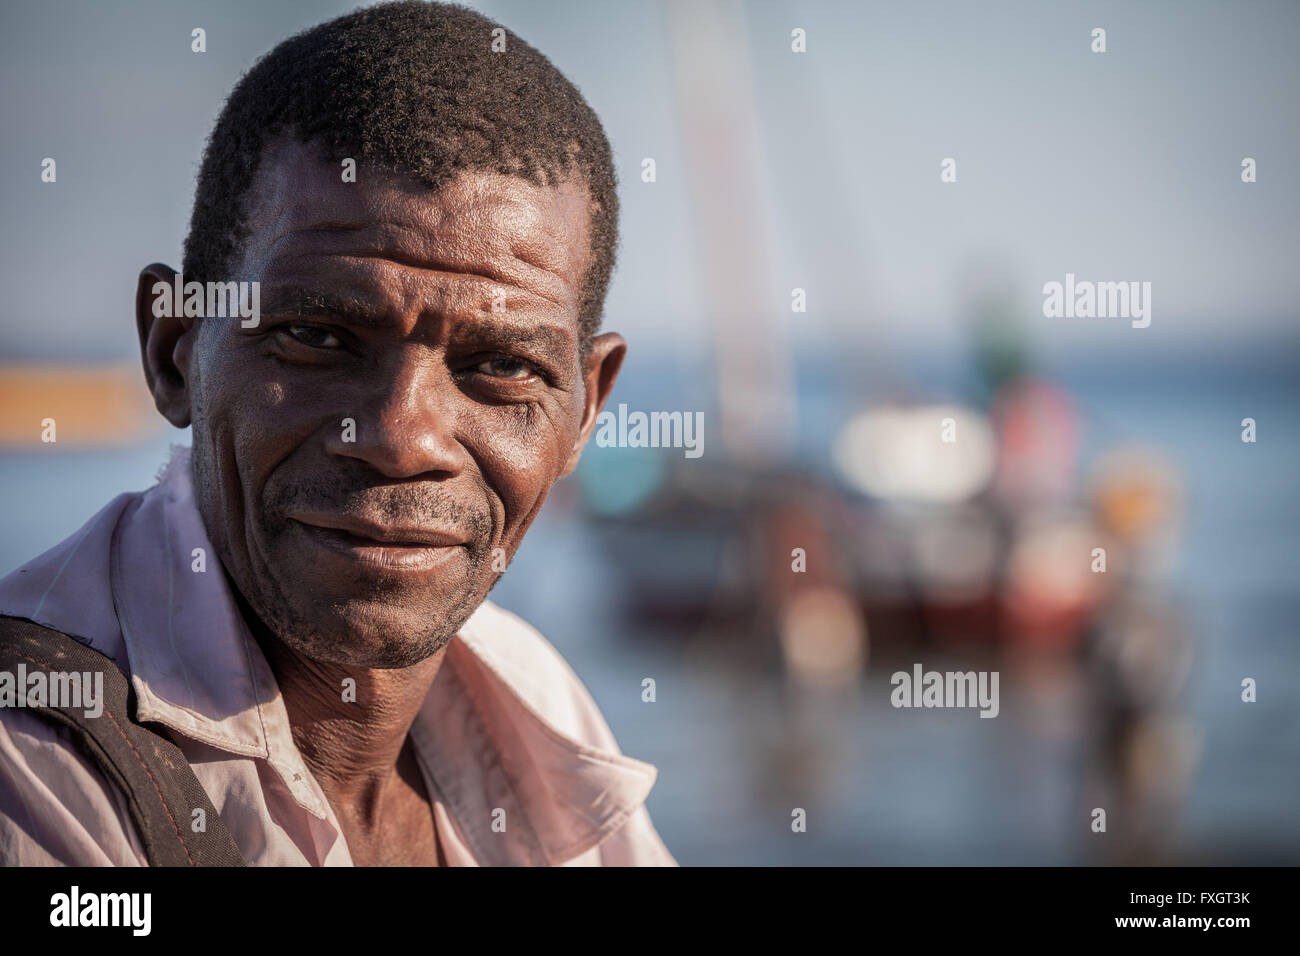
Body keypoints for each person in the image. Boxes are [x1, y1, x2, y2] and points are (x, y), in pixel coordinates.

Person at [0, 0, 674, 866]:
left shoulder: (527, 698)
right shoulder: (36, 761)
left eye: (503, 364)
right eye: (316, 337)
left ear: (585, 409)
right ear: (175, 352)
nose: (402, 439)